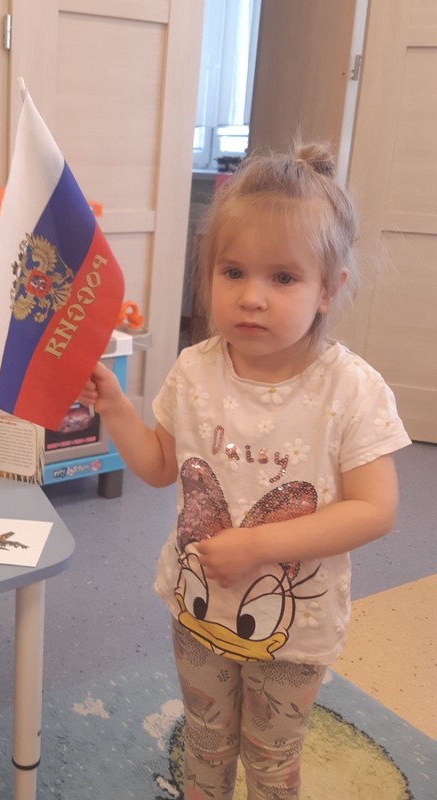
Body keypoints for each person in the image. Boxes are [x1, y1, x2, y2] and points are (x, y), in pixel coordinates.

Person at [78, 142, 411, 799]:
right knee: (204, 742)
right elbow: (160, 466)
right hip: (197, 608)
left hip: (294, 628)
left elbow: (376, 509)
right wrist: (115, 409)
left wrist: (258, 546)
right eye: (233, 272)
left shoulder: (351, 389)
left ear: (328, 289)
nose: (252, 297)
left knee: (270, 758)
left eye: (282, 278)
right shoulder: (195, 369)